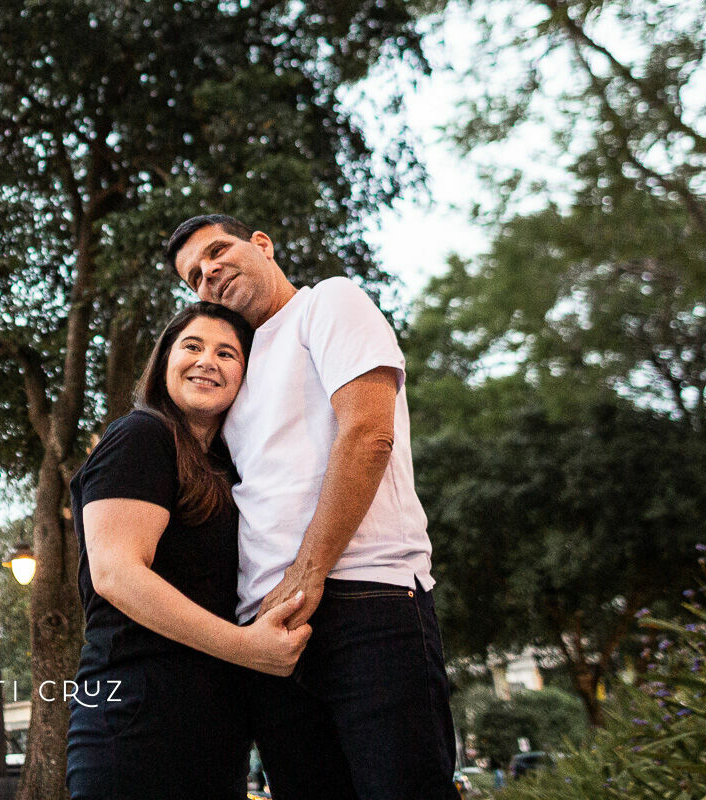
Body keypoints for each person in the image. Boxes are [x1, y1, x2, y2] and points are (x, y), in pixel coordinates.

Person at [167, 213, 459, 800]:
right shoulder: (234, 371)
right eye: (194, 275)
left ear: (262, 244)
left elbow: (368, 434)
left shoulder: (328, 302)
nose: (209, 273)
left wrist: (308, 572)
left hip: (364, 597)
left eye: (217, 251)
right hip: (270, 635)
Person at [66, 301, 311, 800]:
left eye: (228, 353)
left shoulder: (225, 466)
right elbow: (114, 573)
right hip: (134, 715)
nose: (208, 361)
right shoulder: (141, 435)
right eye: (192, 346)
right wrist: (250, 648)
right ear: (164, 361)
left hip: (214, 728)